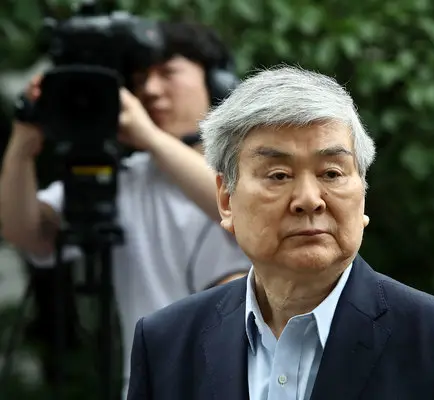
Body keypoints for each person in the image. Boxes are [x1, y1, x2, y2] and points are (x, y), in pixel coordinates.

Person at [126, 66, 434, 400]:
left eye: (331, 173)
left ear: (362, 195)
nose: (309, 200)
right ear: (226, 200)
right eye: (279, 175)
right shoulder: (167, 343)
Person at [0, 21, 250, 398]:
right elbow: (27, 234)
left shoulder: (257, 168)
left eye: (167, 73)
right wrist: (22, 145)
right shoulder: (123, 179)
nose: (150, 90)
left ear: (217, 83)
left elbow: (248, 210)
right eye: (139, 79)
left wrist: (149, 137)